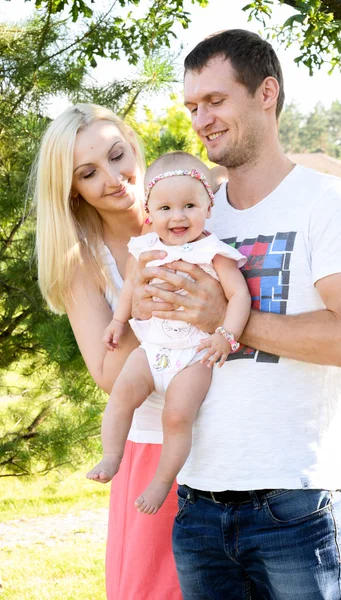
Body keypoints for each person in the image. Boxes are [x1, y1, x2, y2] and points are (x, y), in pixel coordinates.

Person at [131, 30, 341, 599]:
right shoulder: (189, 211)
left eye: (216, 101)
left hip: (294, 508)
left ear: (266, 92)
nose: (201, 120)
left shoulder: (327, 201)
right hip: (196, 505)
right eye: (193, 106)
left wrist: (226, 318)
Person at [34, 104, 226, 599]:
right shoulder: (83, 260)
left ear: (135, 147)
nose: (114, 178)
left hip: (232, 433)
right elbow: (106, 372)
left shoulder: (198, 207)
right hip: (151, 446)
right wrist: (141, 310)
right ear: (72, 190)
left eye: (118, 156)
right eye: (88, 174)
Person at [87, 151, 250, 515]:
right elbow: (130, 286)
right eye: (165, 208)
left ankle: (163, 480)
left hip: (193, 355)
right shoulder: (144, 248)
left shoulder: (214, 253)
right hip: (151, 350)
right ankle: (112, 456)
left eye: (189, 205)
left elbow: (239, 295)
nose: (177, 216)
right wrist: (118, 321)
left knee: (177, 416)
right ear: (150, 211)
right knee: (122, 394)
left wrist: (227, 335)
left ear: (208, 206)